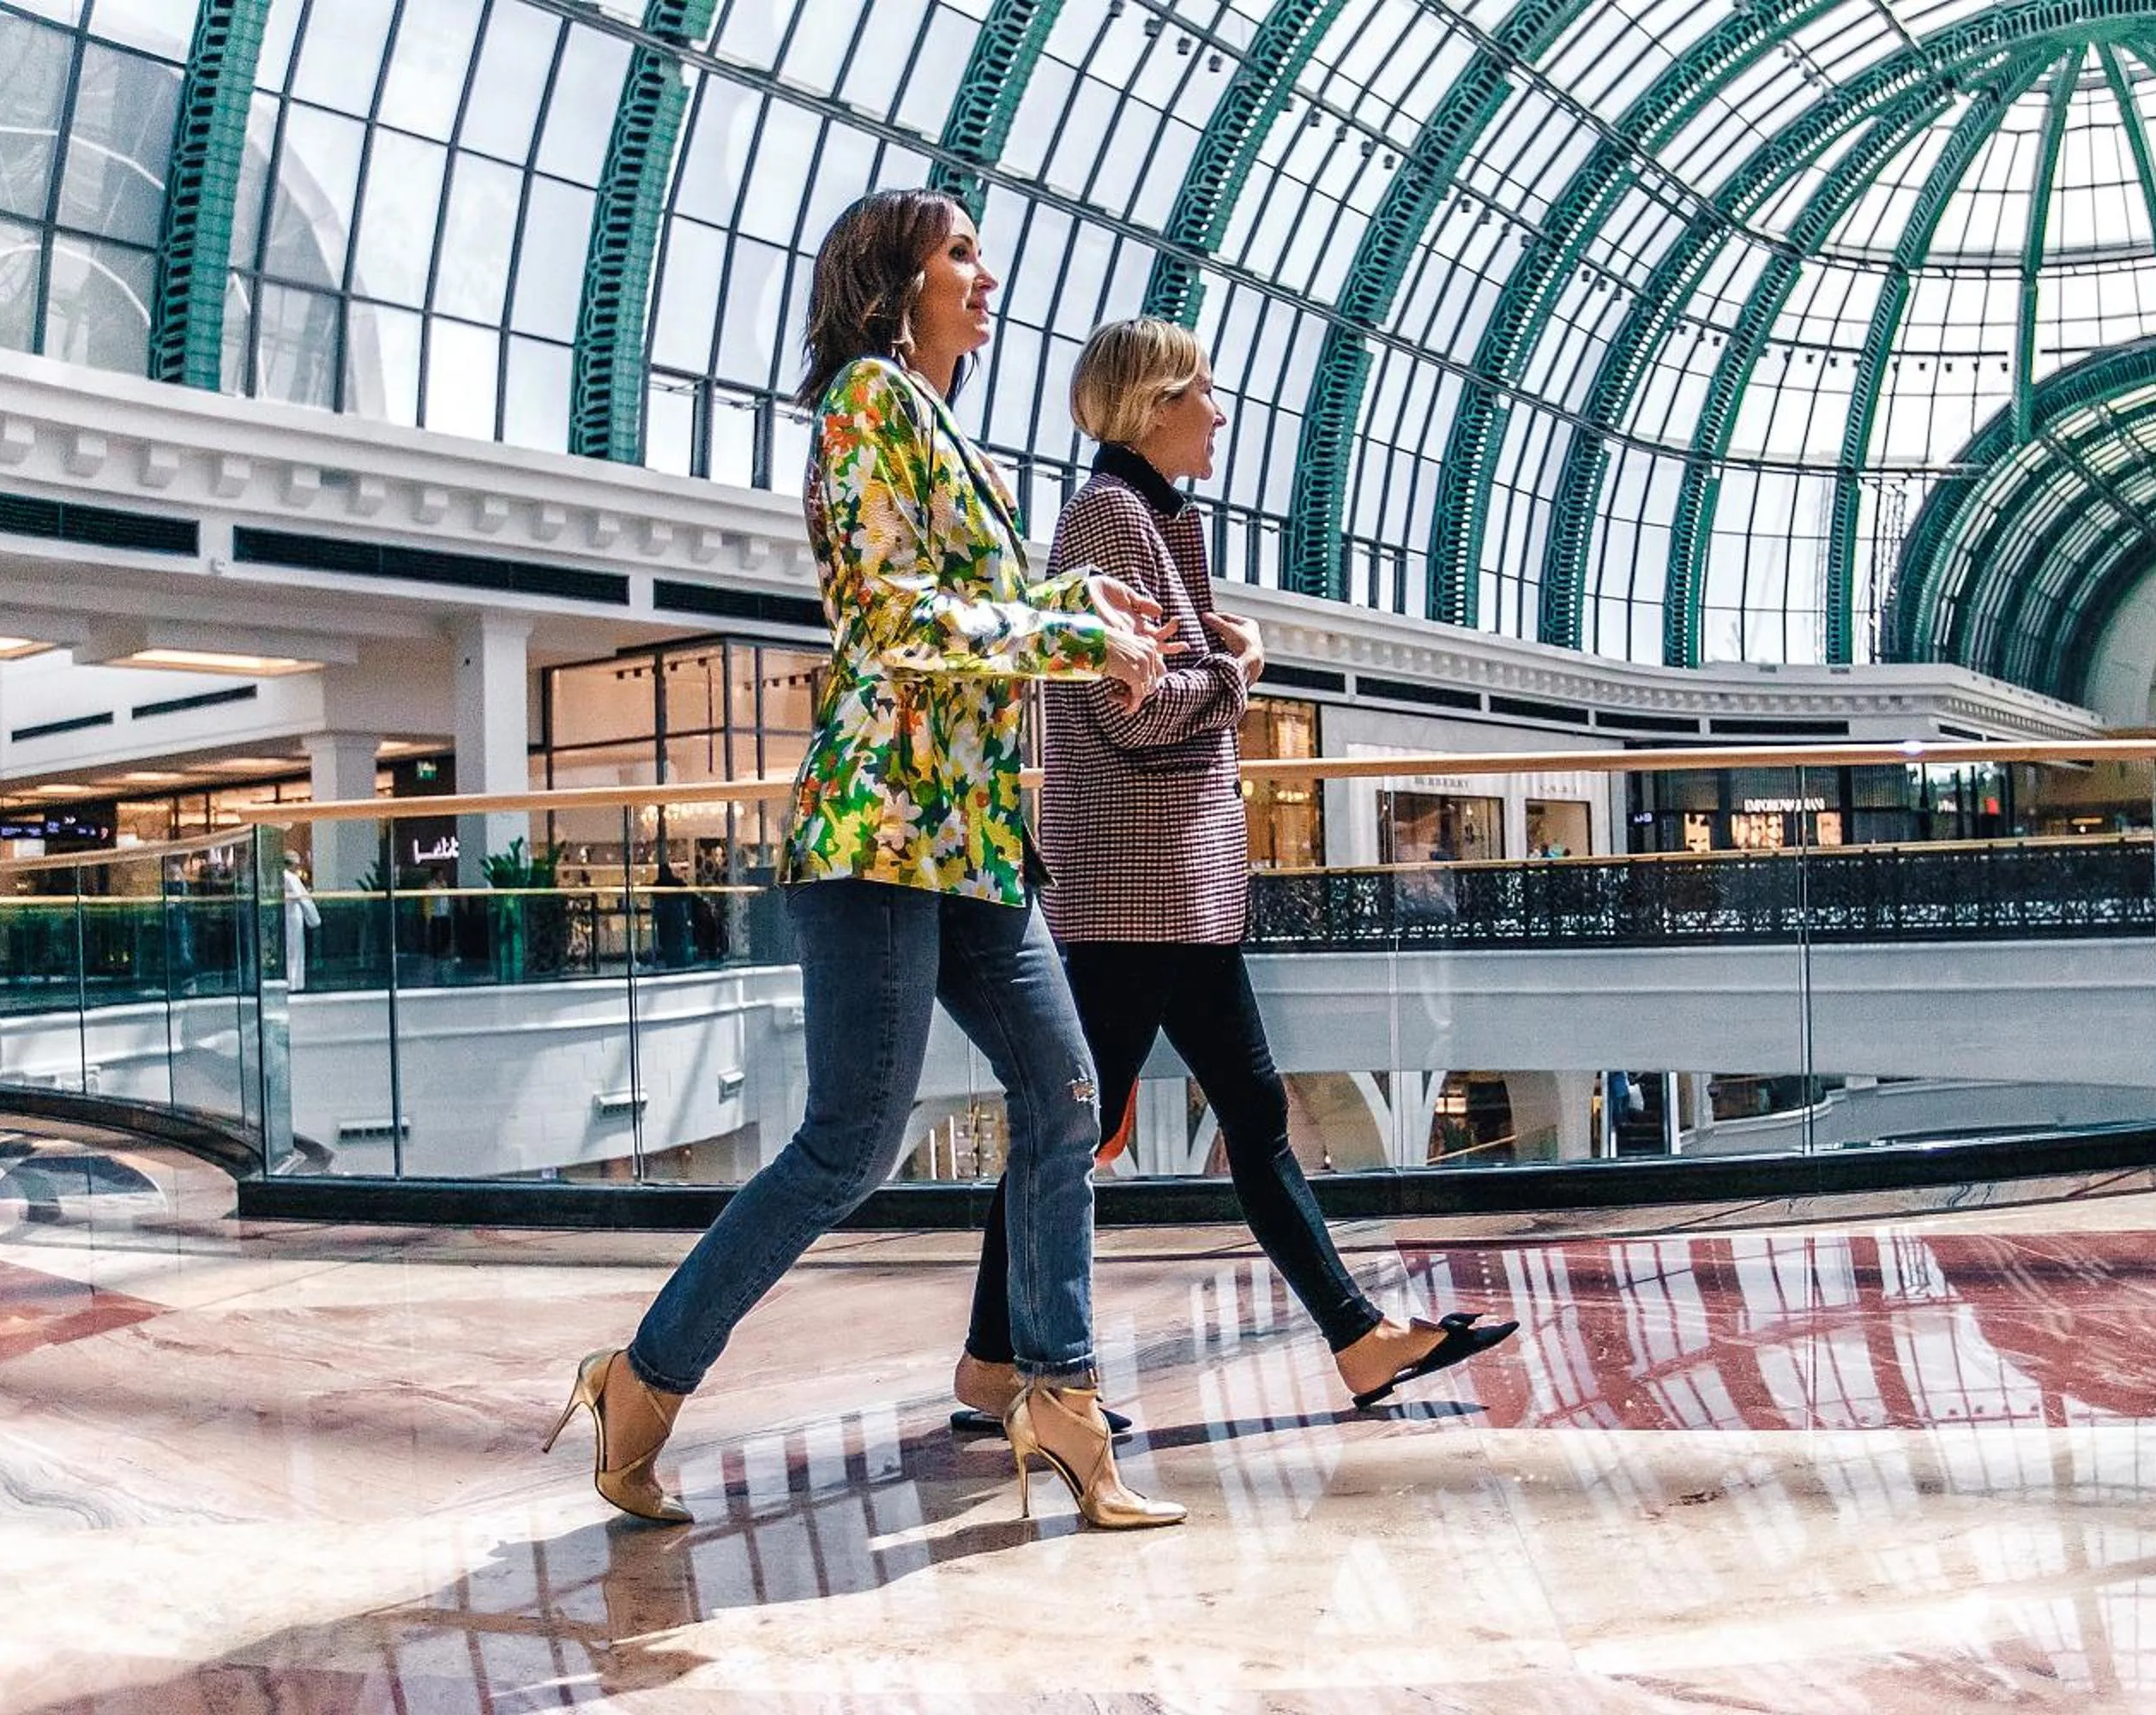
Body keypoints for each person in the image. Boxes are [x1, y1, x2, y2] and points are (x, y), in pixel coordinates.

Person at [546, 190, 1185, 1532]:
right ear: (894, 280)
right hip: (879, 831)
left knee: (1064, 1096)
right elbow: (895, 619)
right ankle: (641, 1385)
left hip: (962, 839)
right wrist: (1072, 637)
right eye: (959, 252)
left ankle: (1059, 1400)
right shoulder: (867, 404)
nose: (987, 271)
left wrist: (1080, 603)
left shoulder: (936, 426)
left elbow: (969, 597)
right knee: (852, 1142)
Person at [951, 319, 1518, 1430]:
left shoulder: (1161, 519)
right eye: (1204, 391)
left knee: (1242, 1111)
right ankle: (996, 1366)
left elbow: (1168, 675)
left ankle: (1354, 1339)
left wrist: (1217, 658)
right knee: (1080, 1120)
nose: (1222, 411)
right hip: (1133, 893)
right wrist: (1240, 673)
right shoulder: (1107, 516)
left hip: (1177, 890)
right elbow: (1133, 709)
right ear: (1153, 403)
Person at [280, 850, 319, 992]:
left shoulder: (280, 876)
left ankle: (290, 981)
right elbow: (304, 898)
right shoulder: (291, 878)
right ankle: (294, 982)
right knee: (295, 950)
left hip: (285, 917)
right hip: (293, 918)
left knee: (289, 950)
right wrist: (314, 920)